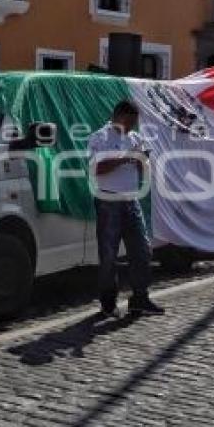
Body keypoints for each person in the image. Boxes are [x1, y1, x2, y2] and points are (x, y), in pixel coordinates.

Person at [87, 100, 163, 318]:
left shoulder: (135, 138)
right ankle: (108, 303)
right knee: (109, 255)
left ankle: (140, 297)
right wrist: (126, 157)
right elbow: (97, 169)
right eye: (129, 121)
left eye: (134, 122)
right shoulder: (100, 138)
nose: (132, 126)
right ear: (118, 116)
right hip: (108, 201)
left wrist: (142, 160)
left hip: (131, 200)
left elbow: (142, 168)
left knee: (142, 250)